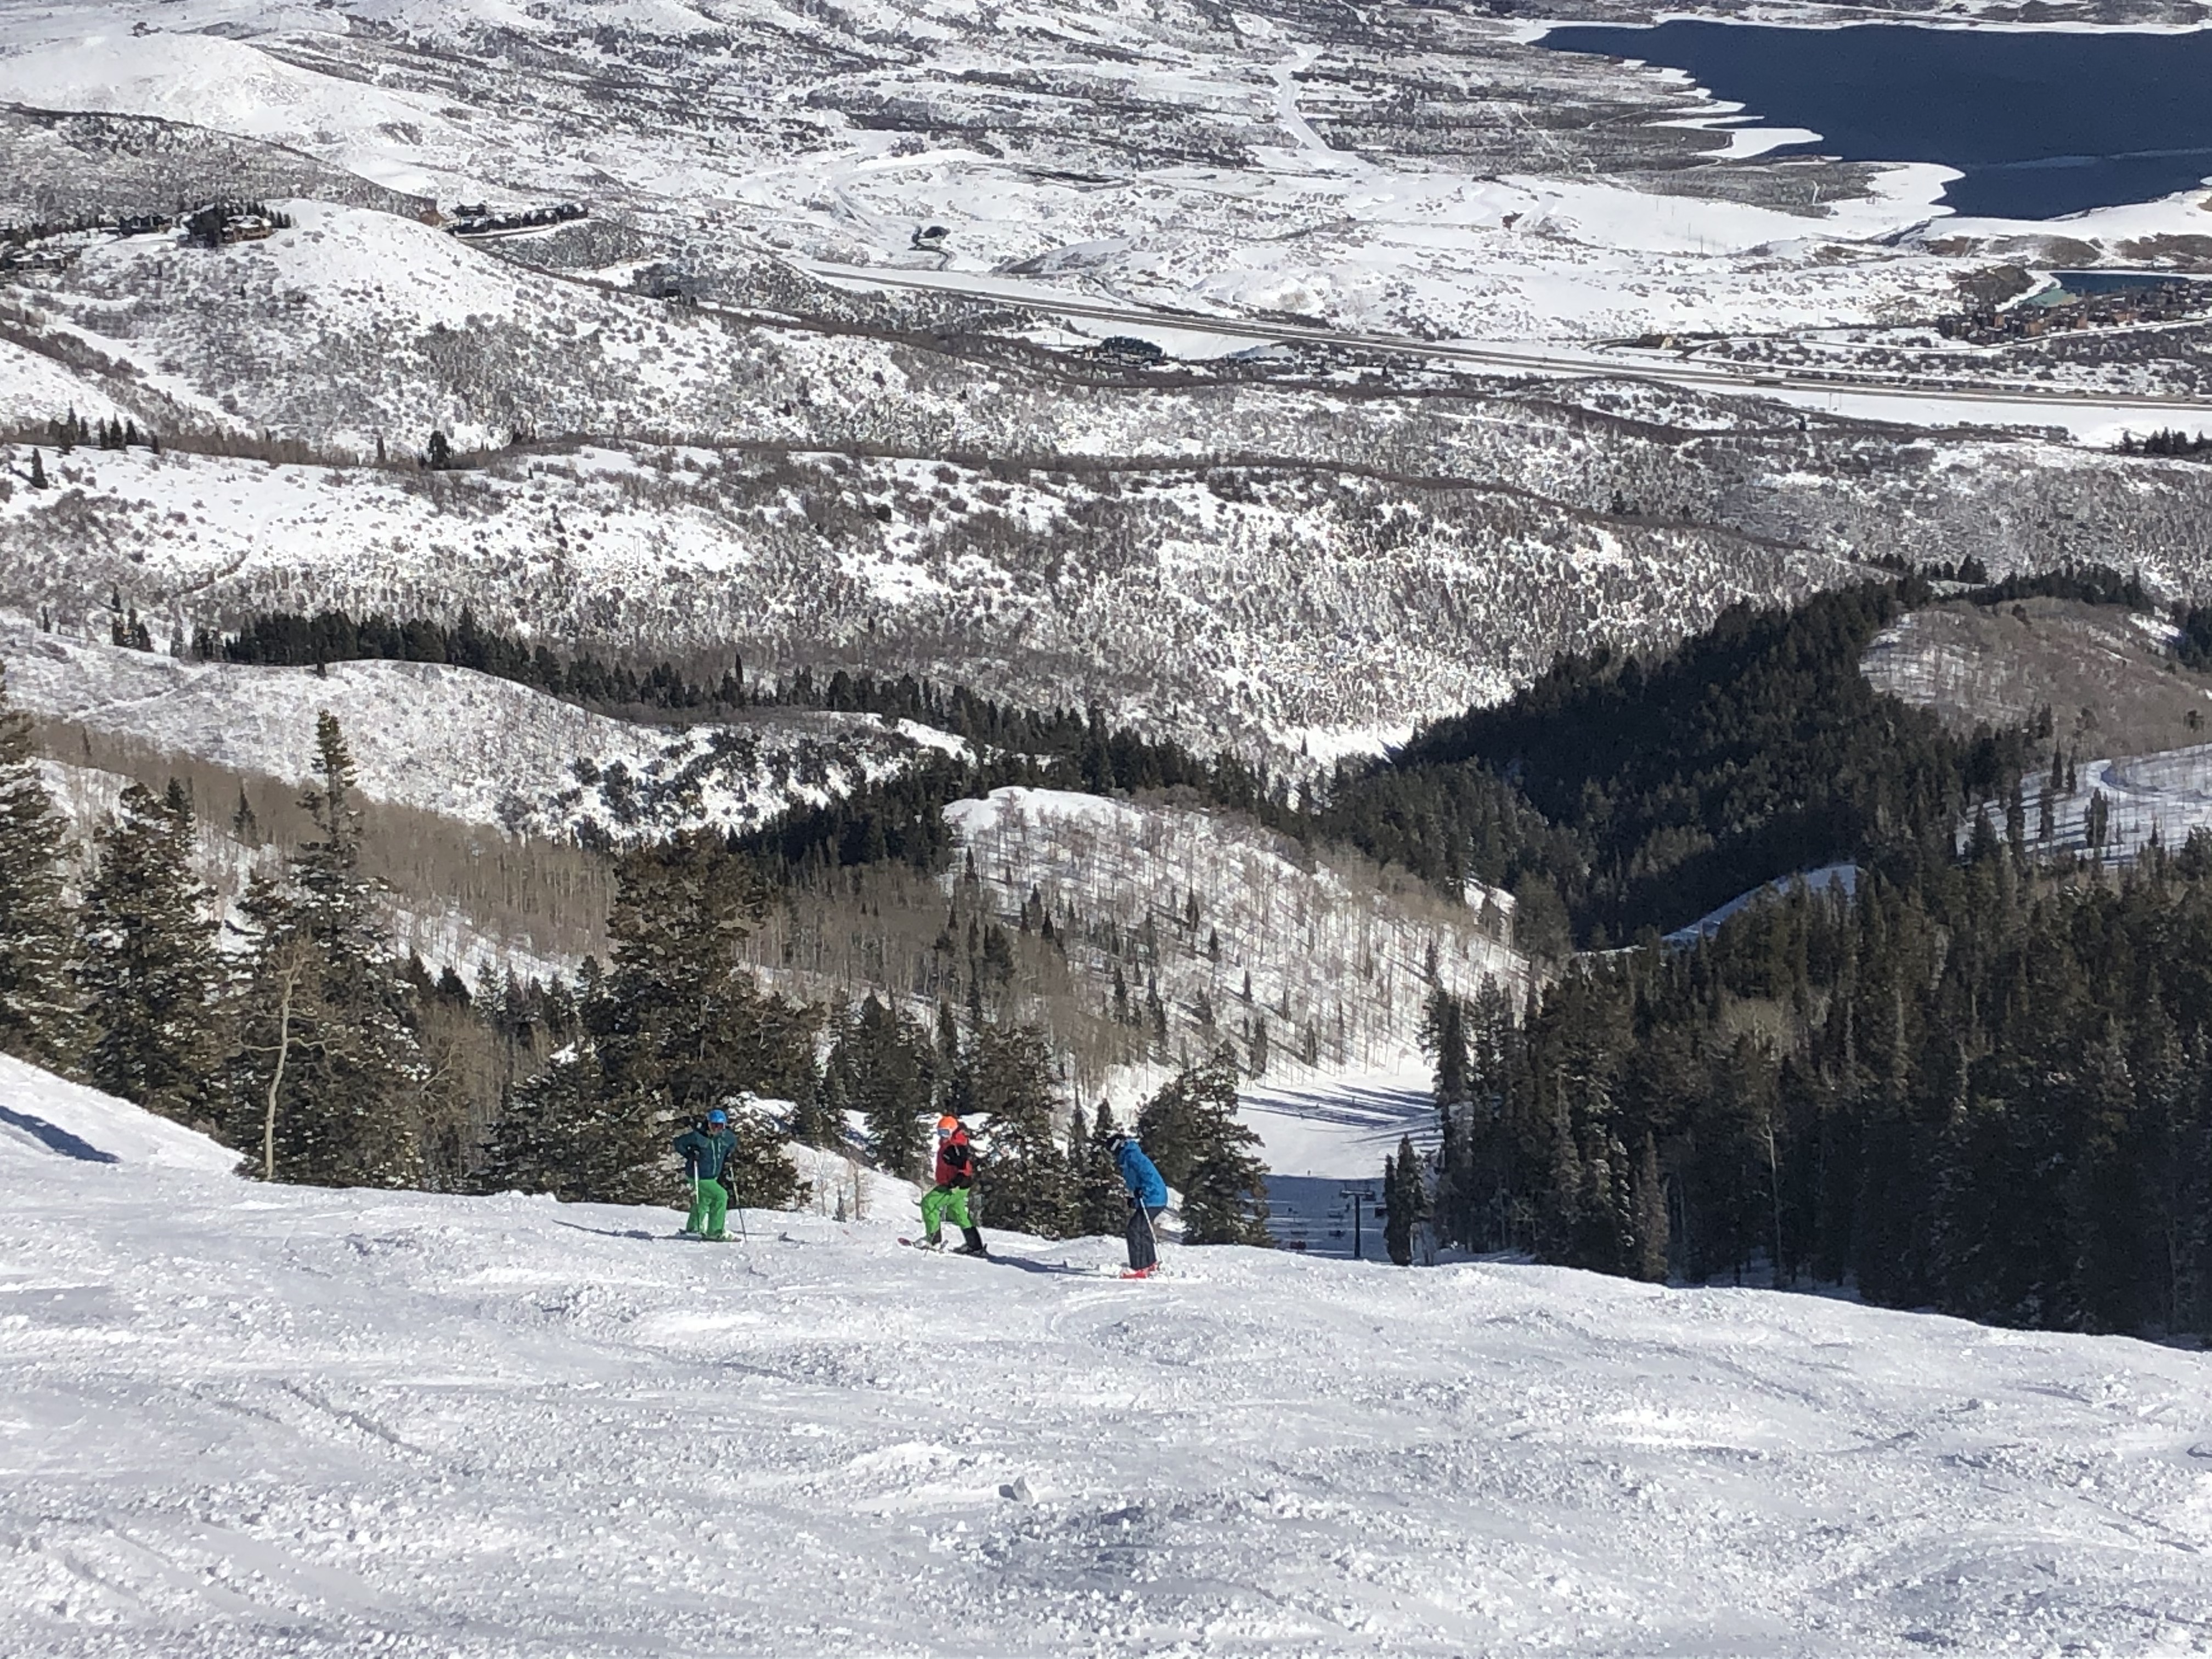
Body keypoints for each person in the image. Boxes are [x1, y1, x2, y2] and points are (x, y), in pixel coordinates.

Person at [920, 1115, 988, 1256]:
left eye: (945, 1132)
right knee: (958, 1213)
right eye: (940, 1132)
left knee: (929, 1203)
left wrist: (956, 1182)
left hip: (954, 1186)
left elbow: (964, 1167)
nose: (943, 1136)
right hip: (957, 1186)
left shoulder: (955, 1146)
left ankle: (933, 1241)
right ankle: (975, 1246)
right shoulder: (951, 1144)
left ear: (953, 1131)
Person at [673, 1107, 738, 1240]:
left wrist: (728, 1155)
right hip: (698, 1175)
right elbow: (678, 1143)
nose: (717, 1129)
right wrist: (690, 1154)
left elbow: (733, 1143)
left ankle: (693, 1228)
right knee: (721, 1196)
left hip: (713, 1176)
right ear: (708, 1124)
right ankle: (715, 1231)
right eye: (714, 1125)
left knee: (704, 1200)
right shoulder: (698, 1137)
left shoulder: (726, 1137)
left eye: (720, 1126)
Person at [1109, 1128, 1169, 1275]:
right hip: (1154, 1197)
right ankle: (1149, 1262)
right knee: (1143, 1229)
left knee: (1135, 1230)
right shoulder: (1129, 1156)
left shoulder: (1132, 1156)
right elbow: (1136, 1181)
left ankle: (1139, 1267)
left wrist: (1144, 1192)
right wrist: (1134, 1199)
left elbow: (1148, 1175)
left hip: (1153, 1197)